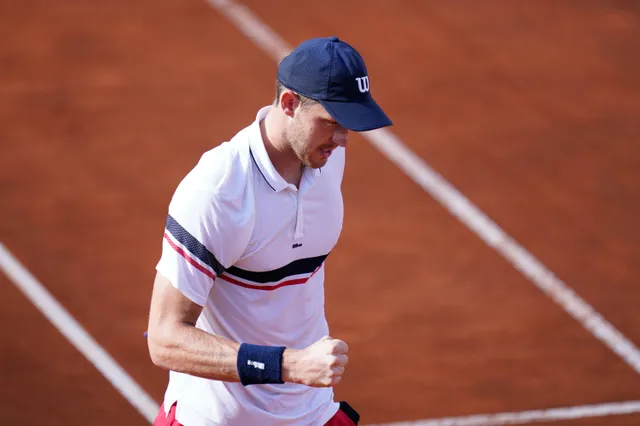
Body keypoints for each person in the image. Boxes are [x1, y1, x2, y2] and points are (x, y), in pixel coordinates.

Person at [146, 36, 392, 426]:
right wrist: (288, 365)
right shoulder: (219, 192)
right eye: (332, 124)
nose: (343, 141)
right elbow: (164, 338)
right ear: (289, 103)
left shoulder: (326, 155)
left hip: (310, 413)